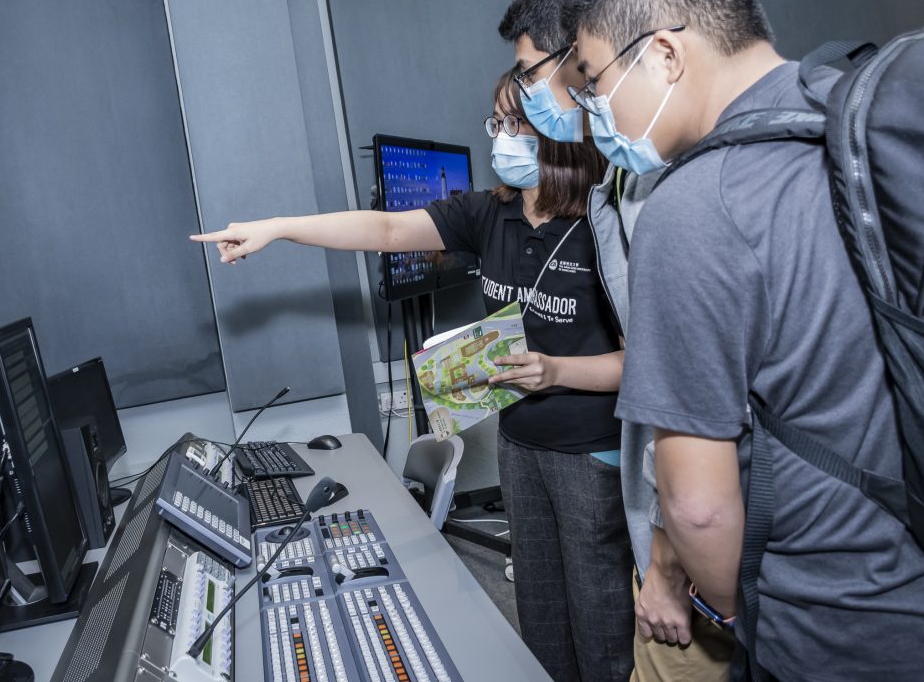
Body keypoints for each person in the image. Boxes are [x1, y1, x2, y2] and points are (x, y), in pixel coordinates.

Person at [569, 0, 924, 679]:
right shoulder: (852, 114)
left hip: (833, 628)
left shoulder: (695, 207)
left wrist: (738, 613)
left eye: (593, 77)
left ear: (665, 55)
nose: (593, 108)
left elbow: (698, 507)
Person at [191, 71, 634, 682]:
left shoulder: (603, 222)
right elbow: (387, 228)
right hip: (520, 444)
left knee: (601, 622)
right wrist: (278, 228)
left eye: (517, 124)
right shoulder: (487, 213)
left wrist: (556, 370)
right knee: (539, 620)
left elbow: (645, 362)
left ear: (559, 131)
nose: (501, 137)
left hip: (591, 452)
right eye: (497, 124)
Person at [500, 0, 734, 680]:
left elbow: (683, 379)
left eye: (543, 75)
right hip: (678, 517)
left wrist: (668, 560)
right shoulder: (624, 182)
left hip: (709, 533)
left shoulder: (679, 188)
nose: (565, 96)